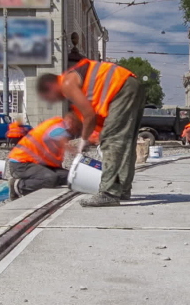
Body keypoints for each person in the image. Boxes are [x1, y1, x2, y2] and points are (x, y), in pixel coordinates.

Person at [36, 58, 146, 207]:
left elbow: (89, 116)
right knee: (125, 141)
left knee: (112, 141)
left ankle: (109, 193)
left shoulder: (67, 83)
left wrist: (83, 140)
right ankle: (123, 189)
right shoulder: (76, 79)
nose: (53, 101)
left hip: (121, 88)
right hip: (130, 85)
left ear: (50, 86)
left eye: (49, 97)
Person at [8, 113, 81, 200]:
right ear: (70, 122)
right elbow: (61, 138)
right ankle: (17, 186)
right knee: (50, 178)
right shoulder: (58, 128)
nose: (76, 130)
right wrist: (76, 151)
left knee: (69, 177)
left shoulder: (60, 128)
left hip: (37, 164)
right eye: (77, 127)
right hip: (21, 163)